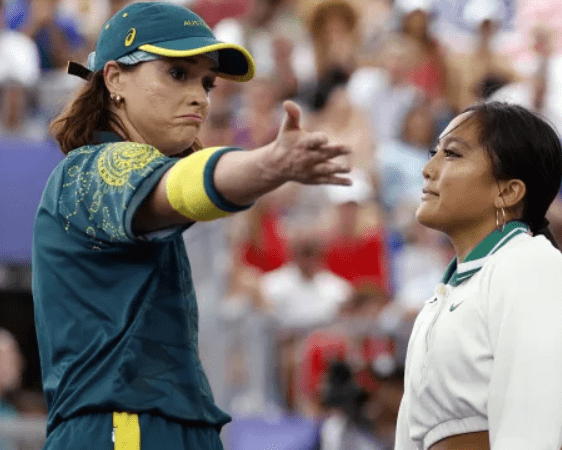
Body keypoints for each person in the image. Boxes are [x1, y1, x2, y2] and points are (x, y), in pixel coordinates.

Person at [31, 2, 351, 449]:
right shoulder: (92, 168)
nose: (201, 95)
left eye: (206, 82)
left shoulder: (120, 172)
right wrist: (268, 164)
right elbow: (180, 186)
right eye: (177, 74)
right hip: (123, 429)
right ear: (115, 78)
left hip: (159, 425)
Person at [394, 102, 562, 450]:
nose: (427, 169)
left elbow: (530, 435)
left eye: (452, 154)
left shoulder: (533, 266)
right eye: (433, 152)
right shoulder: (442, 297)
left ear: (508, 191)